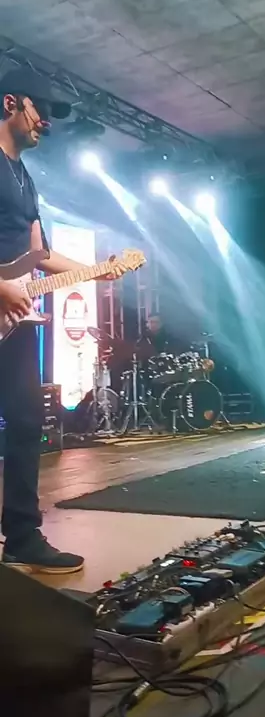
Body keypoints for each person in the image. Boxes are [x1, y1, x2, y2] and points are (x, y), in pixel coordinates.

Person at [0, 67, 125, 574]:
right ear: (10, 103)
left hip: (13, 321)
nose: (45, 123)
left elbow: (40, 254)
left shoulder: (24, 177)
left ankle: (22, 536)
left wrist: (99, 271)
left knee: (27, 419)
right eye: (41, 110)